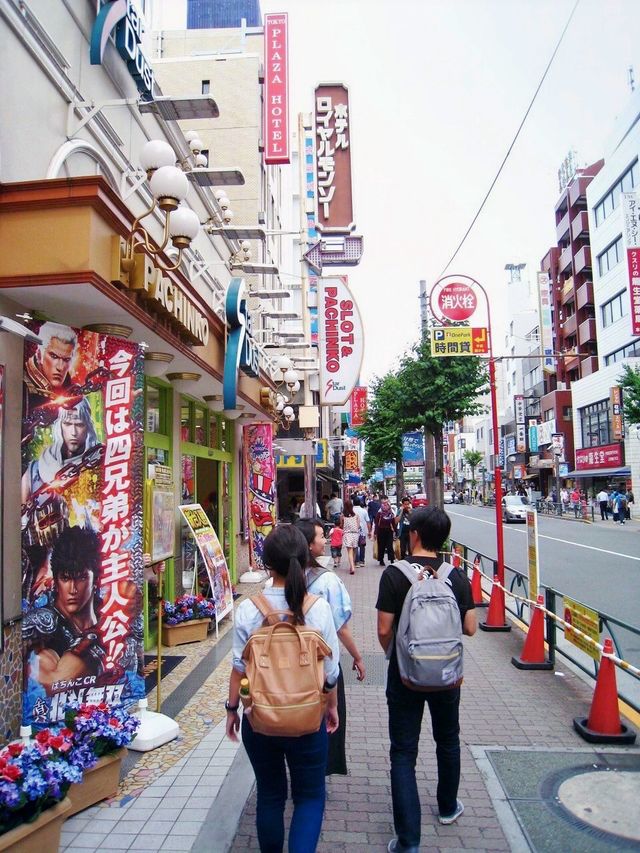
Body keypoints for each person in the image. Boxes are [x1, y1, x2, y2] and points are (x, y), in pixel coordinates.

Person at [225, 525, 339, 853]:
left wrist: (233, 710)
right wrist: (330, 706)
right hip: (307, 719)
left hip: (260, 719)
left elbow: (238, 669)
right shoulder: (317, 607)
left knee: (271, 795)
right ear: (304, 560)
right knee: (309, 798)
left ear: (266, 563)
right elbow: (330, 673)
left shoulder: (249, 609)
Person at [376, 507, 476, 852]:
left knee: (403, 752)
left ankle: (408, 841)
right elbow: (471, 628)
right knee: (448, 739)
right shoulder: (455, 576)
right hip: (447, 674)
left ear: (414, 534)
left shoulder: (394, 574)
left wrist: (398, 654)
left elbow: (384, 631)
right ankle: (448, 807)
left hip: (404, 675)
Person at [296, 519, 366, 775]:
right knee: (328, 718)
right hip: (323, 664)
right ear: (308, 545)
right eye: (320, 536)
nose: (325, 540)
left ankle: (300, 770)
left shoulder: (284, 578)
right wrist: (357, 657)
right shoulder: (326, 580)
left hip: (292, 663)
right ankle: (320, 772)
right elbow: (340, 627)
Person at [22, 526, 105, 694]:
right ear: (56, 580)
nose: (73, 589)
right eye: (65, 578)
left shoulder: (106, 613)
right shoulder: (44, 623)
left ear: (95, 579)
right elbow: (51, 683)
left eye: (81, 577)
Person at [21, 399, 102, 547]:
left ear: (88, 427)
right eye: (68, 424)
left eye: (79, 424)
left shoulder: (99, 466)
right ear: (60, 425)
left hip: (86, 551)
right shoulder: (35, 470)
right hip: (43, 553)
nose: (73, 432)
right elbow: (21, 519)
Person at [24, 322, 78, 415]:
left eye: (66, 359)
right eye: (54, 356)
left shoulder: (71, 389)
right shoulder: (24, 383)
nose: (60, 367)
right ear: (39, 354)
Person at [372, 498, 397, 566]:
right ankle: (381, 560)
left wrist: (395, 531)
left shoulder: (391, 513)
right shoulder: (379, 514)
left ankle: (392, 559)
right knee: (381, 546)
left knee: (390, 546)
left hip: (389, 531)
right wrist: (375, 533)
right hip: (381, 531)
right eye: (384, 505)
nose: (385, 506)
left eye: (387, 505)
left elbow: (393, 523)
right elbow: (376, 524)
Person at [341, 499, 360, 575]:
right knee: (354, 550)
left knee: (349, 551)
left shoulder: (342, 516)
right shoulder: (356, 515)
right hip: (355, 534)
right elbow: (358, 526)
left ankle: (352, 567)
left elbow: (342, 526)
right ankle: (352, 566)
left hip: (347, 534)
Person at [353, 500, 369, 566]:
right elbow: (368, 521)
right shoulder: (364, 511)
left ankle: (356, 562)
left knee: (355, 546)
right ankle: (362, 561)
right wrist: (369, 531)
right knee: (362, 546)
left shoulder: (351, 510)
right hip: (362, 532)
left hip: (353, 531)